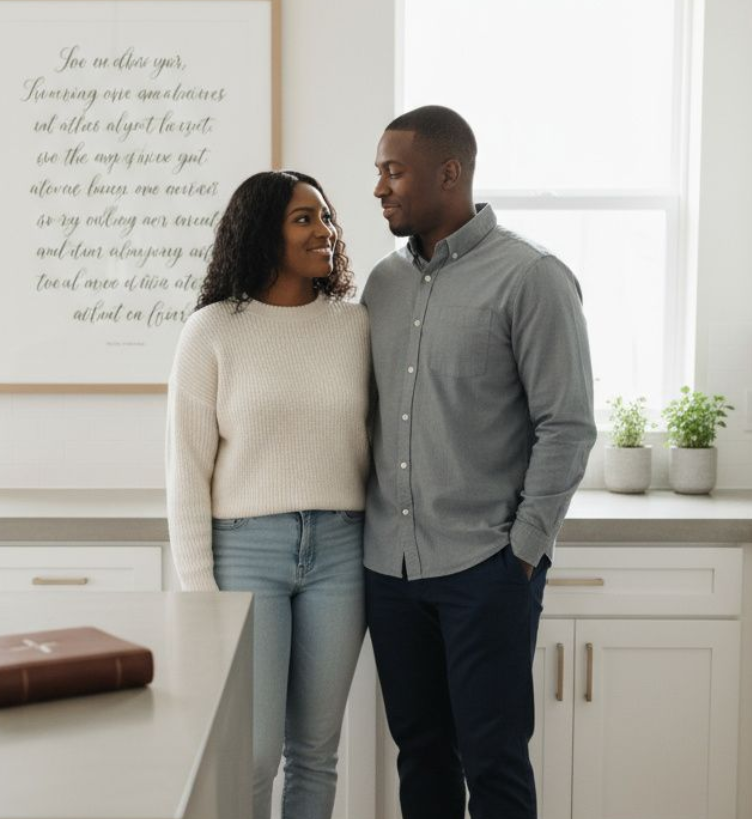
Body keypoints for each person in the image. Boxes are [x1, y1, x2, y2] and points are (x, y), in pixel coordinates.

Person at [362, 105, 597, 819]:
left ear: (450, 172)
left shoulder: (532, 277)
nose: (379, 188)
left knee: (493, 762)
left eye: (393, 171)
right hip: (390, 572)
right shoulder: (381, 285)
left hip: (485, 570)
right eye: (378, 173)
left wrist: (523, 553)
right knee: (421, 757)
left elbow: (569, 425)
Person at [166, 170, 370, 819]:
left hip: (341, 548)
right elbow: (186, 470)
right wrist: (201, 593)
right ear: (262, 233)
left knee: (315, 750)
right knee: (252, 755)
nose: (324, 231)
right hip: (244, 553)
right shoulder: (212, 331)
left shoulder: (356, 327)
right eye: (303, 219)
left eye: (327, 217)